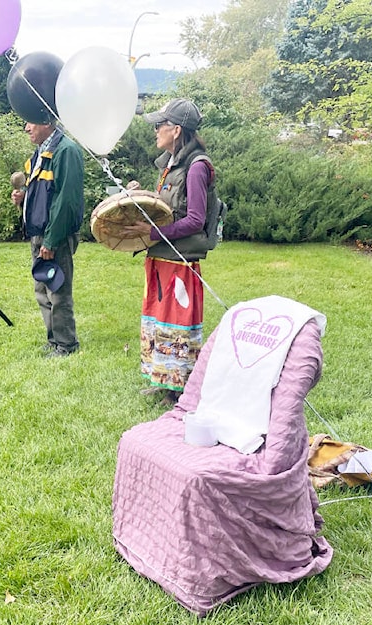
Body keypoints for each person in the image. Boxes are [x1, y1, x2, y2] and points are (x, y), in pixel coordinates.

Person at [124, 98, 220, 405]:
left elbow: (194, 220)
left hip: (180, 263)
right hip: (162, 259)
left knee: (177, 326)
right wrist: (140, 194)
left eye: (159, 125)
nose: (155, 131)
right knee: (159, 321)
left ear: (176, 130)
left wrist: (150, 233)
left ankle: (178, 388)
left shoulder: (196, 167)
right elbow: (167, 209)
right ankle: (161, 379)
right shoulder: (170, 164)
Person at [11, 119, 85, 358]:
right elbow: (45, 193)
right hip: (38, 232)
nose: (26, 128)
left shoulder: (66, 151)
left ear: (47, 121)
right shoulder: (41, 151)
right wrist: (24, 200)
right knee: (43, 289)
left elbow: (66, 201)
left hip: (54, 234)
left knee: (58, 289)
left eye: (30, 122)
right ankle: (54, 339)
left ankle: (66, 344)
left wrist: (51, 241)